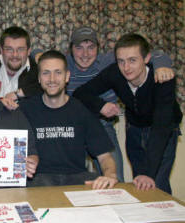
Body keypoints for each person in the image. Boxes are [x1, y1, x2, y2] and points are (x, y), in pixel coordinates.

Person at [34, 26, 174, 182]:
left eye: (91, 47)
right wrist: (100, 105)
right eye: (79, 48)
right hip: (74, 124)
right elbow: (33, 54)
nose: (85, 54)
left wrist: (163, 63)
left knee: (122, 179)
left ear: (98, 49)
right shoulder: (64, 63)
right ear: (70, 50)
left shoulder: (111, 62)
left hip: (106, 125)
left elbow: (153, 54)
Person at [73, 33, 182, 194]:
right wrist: (100, 105)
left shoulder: (162, 79)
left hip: (163, 130)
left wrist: (148, 173)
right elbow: (80, 93)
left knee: (156, 183)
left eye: (132, 60)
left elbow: (161, 127)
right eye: (121, 61)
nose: (126, 68)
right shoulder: (115, 73)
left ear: (146, 59)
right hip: (135, 130)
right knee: (139, 184)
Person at [19, 50, 118, 189]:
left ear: (67, 76)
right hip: (38, 180)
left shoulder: (81, 111)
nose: (52, 79)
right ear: (39, 78)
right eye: (46, 73)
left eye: (58, 72)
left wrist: (110, 175)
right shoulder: (24, 109)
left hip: (76, 179)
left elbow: (105, 157)